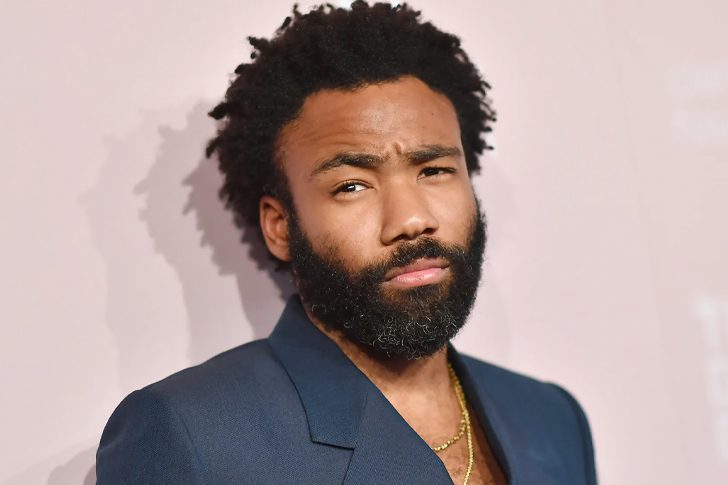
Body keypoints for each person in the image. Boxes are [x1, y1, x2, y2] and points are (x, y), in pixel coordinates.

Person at [96, 2, 597, 484]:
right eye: (352, 186)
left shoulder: (552, 419)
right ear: (280, 226)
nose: (412, 219)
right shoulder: (192, 437)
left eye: (434, 170)